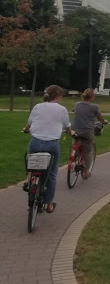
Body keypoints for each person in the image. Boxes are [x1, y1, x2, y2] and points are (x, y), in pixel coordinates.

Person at [23, 85, 73, 213]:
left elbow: (29, 123)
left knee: (32, 161)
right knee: (52, 174)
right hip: (51, 145)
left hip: (35, 142)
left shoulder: (38, 107)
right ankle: (49, 204)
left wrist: (26, 130)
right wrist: (70, 132)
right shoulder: (62, 109)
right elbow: (67, 126)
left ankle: (29, 179)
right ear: (58, 96)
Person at [71, 89, 108, 178]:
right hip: (87, 132)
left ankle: (73, 160)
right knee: (87, 152)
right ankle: (86, 171)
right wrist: (104, 121)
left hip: (75, 131)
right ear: (92, 96)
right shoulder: (94, 107)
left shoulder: (77, 104)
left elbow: (74, 111)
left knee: (75, 146)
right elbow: (100, 119)